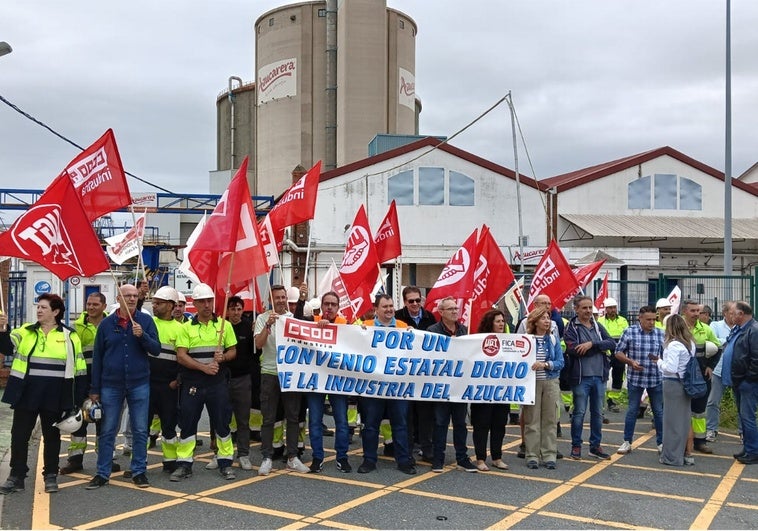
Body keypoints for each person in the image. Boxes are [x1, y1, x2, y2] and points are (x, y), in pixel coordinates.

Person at [0, 296, 87, 495]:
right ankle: (16, 476)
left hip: (55, 395)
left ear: (56, 312)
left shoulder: (69, 336)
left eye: (43, 307)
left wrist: (78, 398)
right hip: (26, 393)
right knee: (19, 436)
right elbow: (6, 348)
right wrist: (1, 331)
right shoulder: (25, 331)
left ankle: (50, 476)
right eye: (38, 307)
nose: (39, 310)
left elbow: (80, 369)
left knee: (52, 437)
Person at [85, 284, 160, 490]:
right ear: (118, 298)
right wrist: (95, 389)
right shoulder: (107, 325)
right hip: (111, 384)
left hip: (139, 383)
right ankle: (102, 473)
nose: (132, 299)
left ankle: (139, 471)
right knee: (108, 430)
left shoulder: (145, 320)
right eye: (127, 296)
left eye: (135, 296)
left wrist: (142, 335)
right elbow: (98, 358)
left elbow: (156, 349)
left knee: (139, 429)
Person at [170, 283, 238, 482]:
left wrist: (223, 357)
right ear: (195, 303)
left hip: (217, 383)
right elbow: (181, 356)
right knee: (188, 423)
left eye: (209, 301)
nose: (207, 305)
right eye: (202, 301)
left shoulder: (224, 325)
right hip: (193, 383)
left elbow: (233, 351)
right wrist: (203, 367)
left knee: (222, 423)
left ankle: (225, 462)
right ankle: (184, 464)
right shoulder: (185, 328)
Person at [358, 294, 416, 474]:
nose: (389, 309)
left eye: (391, 306)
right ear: (376, 309)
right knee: (371, 425)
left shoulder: (403, 327)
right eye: (385, 306)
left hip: (397, 387)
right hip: (373, 386)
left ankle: (404, 461)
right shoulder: (365, 327)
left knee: (400, 425)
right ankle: (369, 460)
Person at [255, 285, 309, 475]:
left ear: (287, 299)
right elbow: (258, 344)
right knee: (268, 418)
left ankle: (293, 457)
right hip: (269, 373)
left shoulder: (292, 319)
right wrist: (268, 325)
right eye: (276, 297)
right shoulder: (262, 318)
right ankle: (267, 457)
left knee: (293, 417)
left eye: (283, 297)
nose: (280, 300)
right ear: (271, 299)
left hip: (290, 374)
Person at [60, 292, 108, 475]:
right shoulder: (76, 328)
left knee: (104, 422)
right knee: (79, 421)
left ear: (104, 306)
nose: (91, 307)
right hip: (81, 380)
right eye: (88, 304)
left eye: (95, 304)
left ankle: (105, 459)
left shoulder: (111, 325)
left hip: (105, 379)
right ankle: (75, 460)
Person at [428, 296, 477, 472]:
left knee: (460, 424)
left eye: (456, 308)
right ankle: (438, 458)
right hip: (441, 386)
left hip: (460, 386)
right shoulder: (433, 331)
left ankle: (462, 458)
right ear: (441, 312)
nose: (455, 311)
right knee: (440, 423)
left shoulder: (464, 330)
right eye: (451, 309)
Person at [564, 295, 616, 460]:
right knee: (579, 413)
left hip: (599, 377)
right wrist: (596, 347)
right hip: (581, 378)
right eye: (584, 308)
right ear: (576, 309)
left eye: (590, 307)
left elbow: (611, 343)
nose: (588, 311)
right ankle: (576, 446)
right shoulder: (571, 327)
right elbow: (573, 349)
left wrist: (591, 344)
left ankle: (595, 446)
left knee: (597, 413)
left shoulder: (597, 326)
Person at [306, 291, 352, 473]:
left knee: (341, 421)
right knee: (315, 421)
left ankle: (342, 457)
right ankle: (317, 457)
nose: (330, 307)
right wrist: (317, 327)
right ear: (322, 306)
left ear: (338, 307)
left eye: (333, 304)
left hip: (337, 382)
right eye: (327, 304)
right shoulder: (312, 322)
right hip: (315, 381)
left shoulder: (345, 325)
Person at [613, 305, 665, 455]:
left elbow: (665, 355)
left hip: (655, 378)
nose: (651, 322)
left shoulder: (661, 334)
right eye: (648, 319)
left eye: (654, 319)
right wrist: (630, 362)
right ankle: (627, 441)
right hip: (635, 378)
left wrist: (661, 361)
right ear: (640, 318)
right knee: (632, 410)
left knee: (658, 412)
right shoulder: (629, 332)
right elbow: (618, 352)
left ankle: (661, 443)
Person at [395, 286, 437, 463]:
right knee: (407, 415)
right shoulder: (398, 317)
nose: (415, 304)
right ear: (405, 302)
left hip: (425, 374)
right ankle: (407, 452)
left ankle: (427, 449)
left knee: (426, 415)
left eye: (417, 300)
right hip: (404, 374)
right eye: (411, 301)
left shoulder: (430, 317)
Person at [522, 306, 564, 470]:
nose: (547, 321)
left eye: (548, 318)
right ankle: (532, 455)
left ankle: (549, 454)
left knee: (550, 419)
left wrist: (546, 364)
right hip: (531, 383)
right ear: (535, 321)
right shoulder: (526, 340)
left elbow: (561, 362)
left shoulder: (553, 339)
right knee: (532, 420)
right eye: (543, 318)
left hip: (550, 382)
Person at [148, 286, 184, 473]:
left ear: (170, 305)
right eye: (154, 303)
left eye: (159, 303)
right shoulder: (149, 323)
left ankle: (170, 461)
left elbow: (182, 358)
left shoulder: (180, 329)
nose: (155, 306)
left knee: (169, 424)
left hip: (168, 386)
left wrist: (177, 379)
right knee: (142, 426)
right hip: (147, 383)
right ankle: (137, 462)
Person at [470, 309, 510, 471]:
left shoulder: (509, 342)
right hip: (482, 391)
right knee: (481, 425)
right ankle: (480, 459)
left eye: (502, 321)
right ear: (490, 323)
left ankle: (497, 457)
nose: (501, 324)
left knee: (499, 425)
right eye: (498, 321)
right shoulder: (477, 341)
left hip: (501, 391)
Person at [654, 314, 695, 466]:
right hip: (685, 383)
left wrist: (658, 362)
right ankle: (685, 453)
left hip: (672, 383)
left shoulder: (673, 345)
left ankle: (671, 457)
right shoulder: (690, 343)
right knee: (684, 420)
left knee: (671, 422)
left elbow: (670, 368)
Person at [682, 299, 720, 455]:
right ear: (684, 311)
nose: (697, 314)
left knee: (699, 410)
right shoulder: (678, 328)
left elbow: (718, 348)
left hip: (701, 376)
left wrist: (711, 366)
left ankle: (699, 441)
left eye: (698, 311)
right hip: (683, 375)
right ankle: (680, 441)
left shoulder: (706, 329)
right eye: (693, 311)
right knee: (681, 408)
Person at [226, 295, 255, 471]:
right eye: (233, 309)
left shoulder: (248, 328)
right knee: (222, 419)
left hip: (243, 379)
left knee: (243, 420)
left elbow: (255, 353)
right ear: (227, 310)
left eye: (239, 309)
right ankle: (221, 454)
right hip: (223, 379)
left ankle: (243, 454)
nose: (236, 312)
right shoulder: (221, 327)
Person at [726, 301, 758, 464]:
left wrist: (748, 379)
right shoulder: (741, 329)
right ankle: (748, 448)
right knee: (743, 416)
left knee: (747, 417)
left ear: (741, 314)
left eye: (733, 313)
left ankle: (753, 451)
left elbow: (756, 358)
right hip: (739, 380)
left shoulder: (754, 330)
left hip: (748, 382)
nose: (731, 316)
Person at [705, 301, 736, 442]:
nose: (735, 315)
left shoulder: (742, 326)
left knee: (741, 402)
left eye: (737, 313)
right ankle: (711, 429)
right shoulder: (715, 325)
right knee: (713, 401)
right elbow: (712, 341)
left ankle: (743, 432)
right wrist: (730, 340)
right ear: (725, 313)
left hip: (737, 370)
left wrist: (724, 342)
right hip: (718, 369)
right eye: (732, 313)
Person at [597, 297, 629, 413]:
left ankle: (613, 400)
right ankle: (600, 399)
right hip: (605, 350)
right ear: (605, 309)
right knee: (602, 374)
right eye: (610, 308)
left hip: (619, 350)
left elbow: (626, 335)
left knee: (618, 374)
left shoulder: (623, 320)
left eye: (614, 307)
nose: (612, 310)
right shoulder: (600, 321)